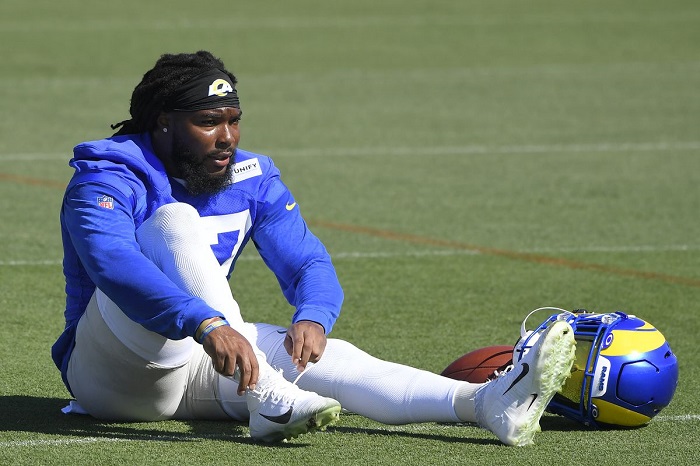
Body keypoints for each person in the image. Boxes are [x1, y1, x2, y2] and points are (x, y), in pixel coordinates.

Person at [52, 50, 576, 446]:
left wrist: (314, 316)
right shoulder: (108, 175)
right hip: (112, 371)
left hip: (198, 361)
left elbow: (306, 261)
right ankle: (268, 395)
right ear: (163, 122)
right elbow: (113, 263)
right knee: (173, 221)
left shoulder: (250, 176)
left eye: (233, 119)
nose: (227, 136)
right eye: (208, 122)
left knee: (328, 359)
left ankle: (485, 404)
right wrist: (208, 324)